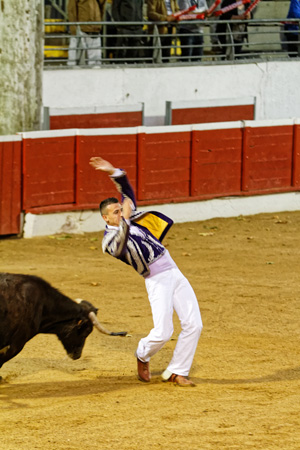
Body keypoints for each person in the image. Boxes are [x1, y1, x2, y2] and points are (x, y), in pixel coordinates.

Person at [89, 156, 203, 387]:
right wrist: (126, 220)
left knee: (194, 324)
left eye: (120, 209)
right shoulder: (108, 241)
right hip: (156, 279)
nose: (120, 212)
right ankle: (142, 353)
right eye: (115, 211)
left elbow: (127, 190)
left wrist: (112, 171)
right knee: (163, 331)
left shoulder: (129, 220)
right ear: (105, 217)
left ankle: (178, 371)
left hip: (173, 269)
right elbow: (121, 246)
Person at [67, 0, 107, 66]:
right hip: (81, 28)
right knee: (74, 58)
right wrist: (73, 27)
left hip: (94, 28)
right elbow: (72, 10)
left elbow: (102, 7)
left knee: (95, 62)